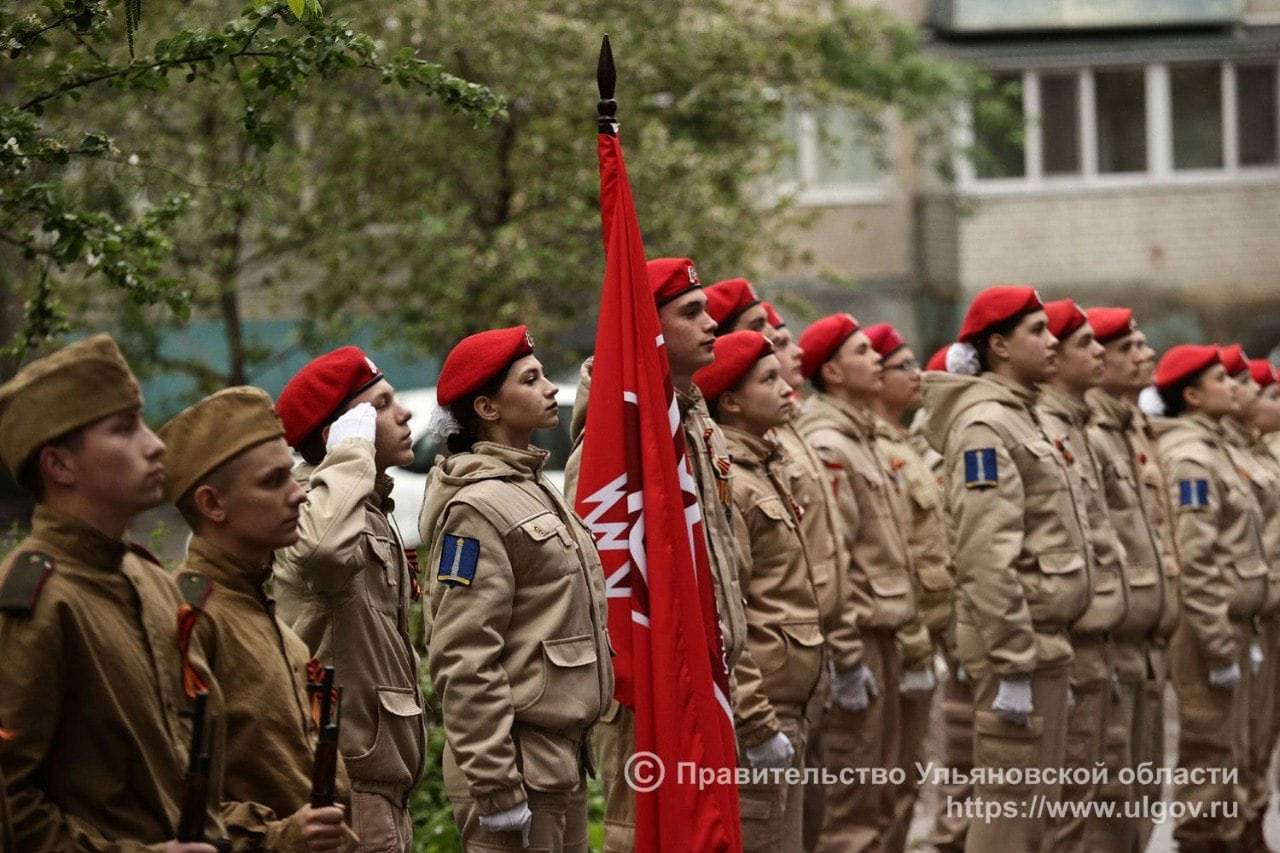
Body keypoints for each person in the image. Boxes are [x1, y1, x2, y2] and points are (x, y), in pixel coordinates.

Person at [0, 334, 224, 852]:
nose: (155, 444)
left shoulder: (152, 583)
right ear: (59, 466)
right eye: (124, 429)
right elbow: (11, 802)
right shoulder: (37, 602)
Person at [564, 258, 748, 852]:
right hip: (650, 687)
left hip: (706, 674)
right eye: (691, 312)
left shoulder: (696, 425)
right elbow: (603, 577)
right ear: (650, 330)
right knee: (644, 833)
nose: (712, 324)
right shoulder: (615, 444)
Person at [420, 325, 612, 851]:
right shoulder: (476, 508)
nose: (549, 388)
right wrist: (494, 782)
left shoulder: (530, 486)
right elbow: (463, 654)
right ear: (487, 408)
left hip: (557, 762)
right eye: (530, 380)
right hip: (514, 768)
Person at [918, 286, 1091, 853]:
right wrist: (1013, 661)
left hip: (1041, 637)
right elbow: (985, 555)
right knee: (1009, 816)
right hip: (1015, 644)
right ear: (998, 346)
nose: (1052, 341)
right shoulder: (986, 427)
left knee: (1033, 817)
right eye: (1036, 331)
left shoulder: (1021, 417)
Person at [158, 386, 358, 852]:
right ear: (213, 504)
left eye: (291, 474)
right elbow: (167, 792)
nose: (299, 494)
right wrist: (279, 836)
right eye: (273, 481)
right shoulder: (190, 619)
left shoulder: (263, 614)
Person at [273, 347, 427, 852]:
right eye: (380, 405)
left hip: (379, 786)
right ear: (338, 436)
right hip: (344, 787)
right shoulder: (311, 509)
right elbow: (322, 550)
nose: (404, 413)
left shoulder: (363, 505)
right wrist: (352, 453)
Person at [697, 331, 823, 852]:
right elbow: (724, 609)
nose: (785, 387)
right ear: (730, 401)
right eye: (768, 380)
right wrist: (754, 719)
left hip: (789, 697)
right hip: (763, 703)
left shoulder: (763, 469)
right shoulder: (732, 482)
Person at [797, 313, 918, 853]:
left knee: (880, 795)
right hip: (859, 638)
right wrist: (846, 655)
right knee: (853, 806)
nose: (877, 360)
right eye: (863, 352)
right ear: (833, 372)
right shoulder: (830, 444)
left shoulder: (860, 437)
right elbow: (831, 558)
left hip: (883, 635)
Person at [1153, 344, 1266, 851]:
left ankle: (1226, 835)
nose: (1236, 388)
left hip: (1235, 620)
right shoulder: (1192, 459)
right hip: (1209, 625)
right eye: (1222, 379)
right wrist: (1218, 644)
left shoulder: (1217, 449)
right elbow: (1195, 558)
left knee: (1233, 748)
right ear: (1193, 396)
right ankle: (1201, 839)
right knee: (1211, 750)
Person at [1083, 307, 1180, 852]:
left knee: (1142, 792)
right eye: (1129, 347)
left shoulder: (1129, 428)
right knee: (1110, 796)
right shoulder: (1091, 434)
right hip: (1112, 635)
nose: (1146, 354)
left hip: (1146, 634)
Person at [1035, 300, 1127, 852]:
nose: (1101, 354)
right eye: (1086, 343)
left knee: (1091, 792)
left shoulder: (1077, 427)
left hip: (1100, 631)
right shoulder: (1044, 429)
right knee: (1059, 801)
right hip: (1062, 636)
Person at [863, 323, 954, 853]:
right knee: (881, 788)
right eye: (902, 366)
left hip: (923, 635)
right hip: (898, 638)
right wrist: (916, 642)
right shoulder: (874, 450)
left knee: (905, 782)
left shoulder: (901, 444)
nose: (916, 375)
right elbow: (890, 556)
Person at [760, 301, 847, 852]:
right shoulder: (747, 456)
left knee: (815, 821)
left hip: (810, 656)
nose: (793, 355)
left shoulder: (782, 439)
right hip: (772, 675)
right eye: (774, 344)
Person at [1215, 344, 1280, 852]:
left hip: (1264, 606)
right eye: (1267, 393)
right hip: (1245, 611)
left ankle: (1250, 821)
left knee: (1259, 732)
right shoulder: (1210, 456)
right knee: (1229, 741)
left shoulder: (1254, 454)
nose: (1268, 402)